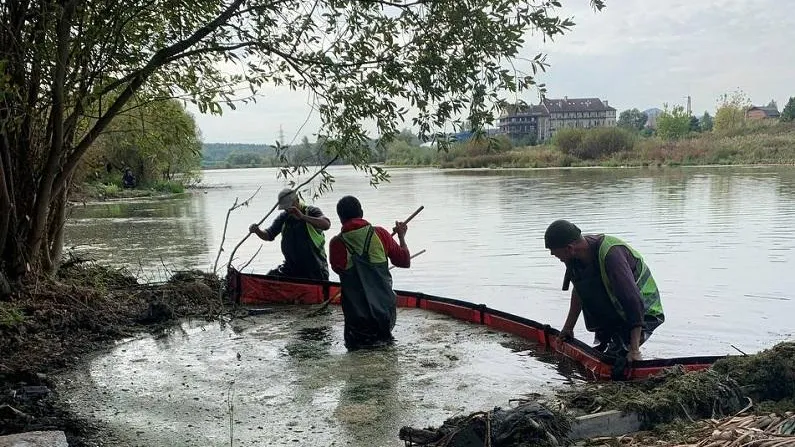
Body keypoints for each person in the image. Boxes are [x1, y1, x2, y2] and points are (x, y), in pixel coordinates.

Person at [544, 219, 665, 361]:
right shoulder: (574, 257)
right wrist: (568, 328)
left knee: (619, 356)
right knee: (606, 353)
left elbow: (632, 301)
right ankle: (611, 340)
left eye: (554, 251)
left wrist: (634, 350)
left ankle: (629, 345)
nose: (552, 254)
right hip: (616, 309)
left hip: (644, 310)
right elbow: (579, 290)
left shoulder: (611, 256)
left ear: (569, 248)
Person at [329, 195, 411, 351]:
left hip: (356, 316)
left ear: (340, 218)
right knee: (386, 351)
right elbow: (404, 261)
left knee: (357, 355)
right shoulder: (380, 234)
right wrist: (401, 236)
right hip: (385, 312)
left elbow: (337, 268)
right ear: (361, 212)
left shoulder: (336, 243)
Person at [249, 188, 331, 281]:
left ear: (297, 200)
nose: (288, 210)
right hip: (291, 269)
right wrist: (257, 231)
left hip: (315, 270)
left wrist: (303, 217)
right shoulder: (284, 217)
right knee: (270, 278)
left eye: (290, 206)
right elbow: (268, 235)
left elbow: (326, 224)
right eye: (286, 208)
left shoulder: (311, 211)